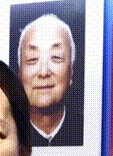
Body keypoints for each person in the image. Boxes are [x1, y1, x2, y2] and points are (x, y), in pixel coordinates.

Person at [18, 14, 82, 147]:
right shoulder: (9, 133)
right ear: (19, 73)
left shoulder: (86, 130)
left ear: (71, 71)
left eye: (56, 58)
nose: (43, 73)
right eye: (32, 59)